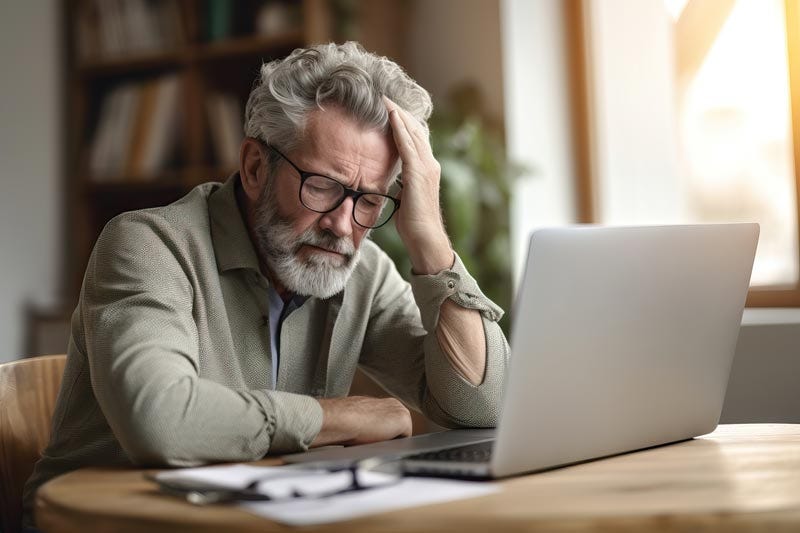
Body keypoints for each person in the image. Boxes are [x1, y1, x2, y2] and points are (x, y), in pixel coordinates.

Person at [23, 41, 509, 527]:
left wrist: (431, 243)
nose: (343, 226)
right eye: (321, 185)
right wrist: (335, 417)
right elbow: (159, 417)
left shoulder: (363, 270)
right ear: (256, 167)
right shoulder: (147, 245)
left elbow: (480, 408)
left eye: (369, 201)